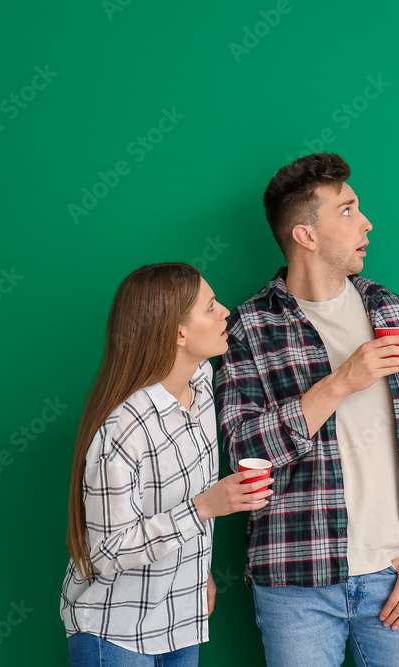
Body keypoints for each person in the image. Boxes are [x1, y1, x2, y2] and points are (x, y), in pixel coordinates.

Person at [217, 153, 399, 666]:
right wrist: (341, 382)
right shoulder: (247, 330)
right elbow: (244, 448)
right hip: (295, 584)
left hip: (398, 575)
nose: (367, 222)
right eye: (348, 210)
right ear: (306, 235)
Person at [61, 262, 273, 667]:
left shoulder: (202, 384)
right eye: (211, 307)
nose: (226, 311)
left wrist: (198, 575)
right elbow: (107, 552)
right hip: (116, 632)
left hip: (180, 620)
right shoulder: (123, 429)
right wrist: (205, 507)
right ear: (178, 333)